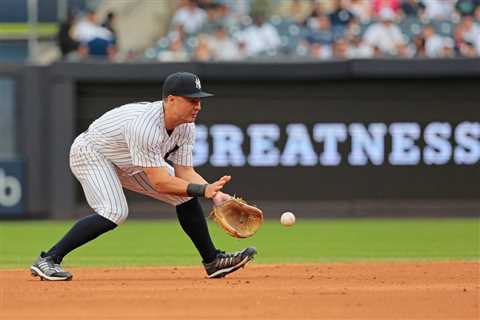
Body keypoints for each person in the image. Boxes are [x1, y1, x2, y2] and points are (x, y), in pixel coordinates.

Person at [30, 72, 257, 281]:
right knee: (114, 211)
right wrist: (202, 190)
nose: (197, 106)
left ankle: (213, 261)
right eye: (191, 100)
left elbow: (185, 173)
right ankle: (48, 259)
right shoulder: (145, 126)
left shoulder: (186, 126)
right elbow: (161, 182)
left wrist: (215, 195)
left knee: (184, 196)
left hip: (128, 160)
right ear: (171, 100)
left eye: (199, 100)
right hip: (92, 152)